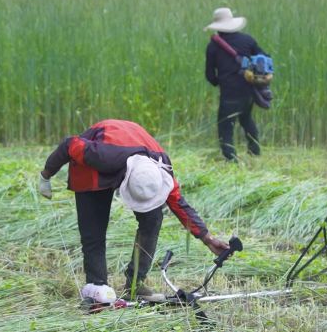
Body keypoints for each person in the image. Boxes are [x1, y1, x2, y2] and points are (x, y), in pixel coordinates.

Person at [37, 119, 229, 304]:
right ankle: (97, 285)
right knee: (94, 231)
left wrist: (207, 238)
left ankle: (135, 284)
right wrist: (46, 176)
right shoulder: (100, 155)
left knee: (153, 219)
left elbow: (179, 203)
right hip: (94, 167)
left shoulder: (161, 167)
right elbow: (69, 144)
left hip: (134, 155)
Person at [204, 7, 267, 161]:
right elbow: (264, 57)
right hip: (248, 89)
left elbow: (210, 75)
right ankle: (255, 151)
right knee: (246, 119)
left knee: (225, 125)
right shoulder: (248, 40)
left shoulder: (213, 46)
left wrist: (220, 82)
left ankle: (231, 157)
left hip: (229, 92)